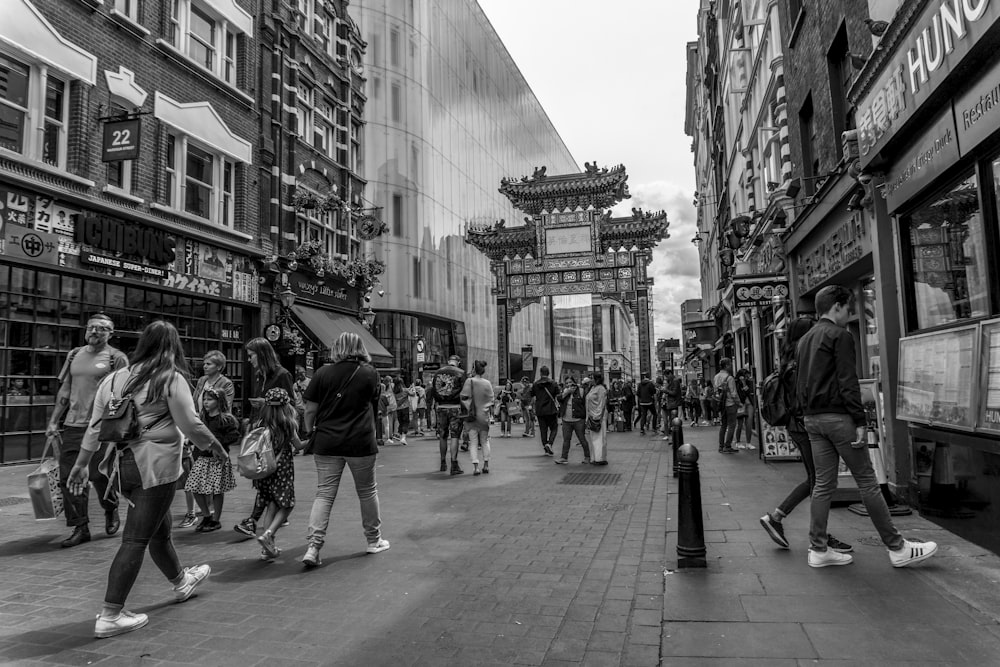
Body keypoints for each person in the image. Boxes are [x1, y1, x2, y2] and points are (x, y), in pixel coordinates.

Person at [66, 320, 228, 638]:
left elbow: (95, 427)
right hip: (155, 469)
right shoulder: (169, 378)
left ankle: (181, 582)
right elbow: (191, 423)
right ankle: (111, 614)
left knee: (158, 530)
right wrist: (215, 447)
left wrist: (82, 464)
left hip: (119, 465)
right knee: (136, 539)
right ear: (172, 347)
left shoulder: (115, 378)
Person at [797, 284, 937, 568]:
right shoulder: (840, 336)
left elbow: (800, 383)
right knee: (867, 481)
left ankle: (818, 549)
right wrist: (860, 420)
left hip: (812, 419)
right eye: (849, 308)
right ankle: (897, 548)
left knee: (823, 484)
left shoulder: (805, 340)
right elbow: (847, 381)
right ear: (836, 306)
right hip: (838, 417)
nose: (850, 315)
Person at [759, 316, 852, 554]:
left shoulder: (789, 360)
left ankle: (782, 518)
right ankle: (814, 534)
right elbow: (804, 398)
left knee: (816, 479)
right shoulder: (798, 365)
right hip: (804, 426)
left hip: (799, 426)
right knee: (820, 480)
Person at [301, 332, 389, 567]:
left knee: (324, 493)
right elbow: (374, 407)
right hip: (360, 441)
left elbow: (309, 410)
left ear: (336, 348)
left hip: (327, 441)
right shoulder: (370, 373)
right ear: (360, 347)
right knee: (368, 491)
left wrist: (310, 431)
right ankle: (373, 540)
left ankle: (313, 547)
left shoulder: (322, 373)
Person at [46, 313, 129, 548]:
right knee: (68, 477)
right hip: (73, 425)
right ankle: (80, 526)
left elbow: (124, 395)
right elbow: (65, 390)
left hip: (102, 428)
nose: (95, 331)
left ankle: (110, 506)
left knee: (97, 474)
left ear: (110, 334)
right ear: (86, 330)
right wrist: (54, 421)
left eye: (102, 328)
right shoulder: (74, 355)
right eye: (92, 327)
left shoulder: (117, 358)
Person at [234, 338, 295, 538]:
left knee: (266, 477)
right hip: (262, 432)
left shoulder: (282, 375)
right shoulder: (261, 375)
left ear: (261, 355)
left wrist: (267, 404)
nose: (249, 360)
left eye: (251, 355)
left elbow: (290, 404)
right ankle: (264, 520)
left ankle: (254, 520)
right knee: (265, 479)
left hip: (275, 437)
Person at [182, 351, 236, 528]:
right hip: (200, 425)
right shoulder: (201, 381)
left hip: (214, 432)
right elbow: (194, 400)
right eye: (204, 363)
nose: (205, 366)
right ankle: (207, 513)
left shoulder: (225, 384)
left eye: (209, 364)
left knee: (215, 486)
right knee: (196, 482)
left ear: (219, 367)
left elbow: (225, 406)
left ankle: (213, 517)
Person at [252, 388, 305, 560]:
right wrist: (313, 439)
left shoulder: (259, 424)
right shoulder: (287, 424)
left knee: (271, 505)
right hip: (281, 469)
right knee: (287, 504)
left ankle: (267, 548)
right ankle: (268, 534)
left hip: (264, 470)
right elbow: (298, 446)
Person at [428, 355, 467, 473]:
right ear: (458, 363)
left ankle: (442, 462)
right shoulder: (461, 373)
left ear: (448, 362)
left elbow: (433, 390)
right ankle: (454, 464)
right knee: (455, 436)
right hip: (455, 407)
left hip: (441, 407)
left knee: (443, 435)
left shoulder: (438, 373)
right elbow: (465, 392)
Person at [461, 360, 495, 475]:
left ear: (474, 369)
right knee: (485, 441)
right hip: (484, 416)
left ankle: (476, 467)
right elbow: (492, 400)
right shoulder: (487, 383)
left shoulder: (469, 381)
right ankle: (486, 465)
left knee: (473, 442)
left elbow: (463, 397)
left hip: (471, 417)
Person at [554, 376, 591, 465]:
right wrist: (566, 393)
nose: (568, 384)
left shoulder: (581, 391)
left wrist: (586, 418)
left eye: (570, 382)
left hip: (578, 419)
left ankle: (587, 456)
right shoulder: (565, 391)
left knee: (582, 439)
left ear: (574, 382)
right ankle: (564, 457)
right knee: (566, 439)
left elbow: (586, 404)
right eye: (566, 383)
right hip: (566, 419)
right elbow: (558, 399)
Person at [531, 366, 560, 456]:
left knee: (543, 429)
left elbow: (532, 394)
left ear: (540, 373)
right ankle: (549, 443)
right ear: (548, 373)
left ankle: (545, 446)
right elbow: (558, 394)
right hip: (551, 409)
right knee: (554, 428)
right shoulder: (553, 383)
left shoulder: (536, 384)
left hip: (540, 410)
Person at [713, 359, 739, 454]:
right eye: (730, 364)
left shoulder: (716, 377)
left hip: (721, 404)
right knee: (732, 425)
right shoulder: (730, 378)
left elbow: (716, 391)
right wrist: (739, 403)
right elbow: (734, 394)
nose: (731, 366)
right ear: (727, 365)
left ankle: (721, 446)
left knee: (723, 425)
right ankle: (727, 446)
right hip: (730, 404)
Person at [587, 372, 609, 465]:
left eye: (591, 378)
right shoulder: (592, 388)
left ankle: (599, 458)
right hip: (592, 415)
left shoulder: (601, 389)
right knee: (593, 438)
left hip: (598, 416)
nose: (590, 379)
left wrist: (598, 415)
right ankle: (595, 457)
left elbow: (601, 403)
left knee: (599, 437)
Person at [734, 368, 755, 449]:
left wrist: (744, 383)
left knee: (749, 424)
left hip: (749, 404)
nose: (747, 378)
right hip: (740, 404)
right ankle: (738, 442)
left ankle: (748, 443)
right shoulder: (736, 383)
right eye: (745, 376)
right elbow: (737, 393)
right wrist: (742, 383)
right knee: (739, 424)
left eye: (747, 376)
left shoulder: (749, 383)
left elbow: (749, 392)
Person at [660, 370, 683, 437]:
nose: (667, 378)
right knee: (671, 421)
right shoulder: (672, 381)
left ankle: (674, 437)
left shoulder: (675, 381)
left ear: (670, 374)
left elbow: (674, 392)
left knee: (673, 421)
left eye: (667, 376)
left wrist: (665, 390)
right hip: (670, 404)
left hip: (673, 403)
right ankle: (673, 437)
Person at [393, 377, 410, 445]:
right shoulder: (405, 390)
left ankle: (399, 435)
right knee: (406, 422)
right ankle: (403, 437)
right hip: (405, 408)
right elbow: (413, 394)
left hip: (398, 409)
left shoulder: (394, 391)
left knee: (401, 422)